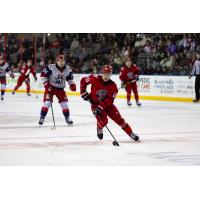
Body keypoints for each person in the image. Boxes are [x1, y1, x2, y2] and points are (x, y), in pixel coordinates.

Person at [80, 65, 139, 141]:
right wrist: (83, 92)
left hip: (108, 106)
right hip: (95, 104)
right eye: (104, 73)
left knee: (120, 120)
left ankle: (131, 133)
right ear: (102, 73)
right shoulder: (94, 78)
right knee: (104, 121)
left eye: (108, 74)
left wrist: (100, 107)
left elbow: (110, 100)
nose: (106, 76)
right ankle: (99, 127)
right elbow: (83, 81)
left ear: (111, 74)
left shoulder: (113, 86)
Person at [38, 54, 76, 125]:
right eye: (59, 60)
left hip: (61, 89)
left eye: (63, 60)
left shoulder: (68, 69)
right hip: (50, 89)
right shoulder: (51, 67)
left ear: (65, 61)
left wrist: (72, 85)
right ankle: (42, 118)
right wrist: (46, 85)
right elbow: (43, 76)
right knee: (47, 103)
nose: (61, 62)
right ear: (57, 61)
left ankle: (67, 118)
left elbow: (69, 78)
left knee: (65, 105)